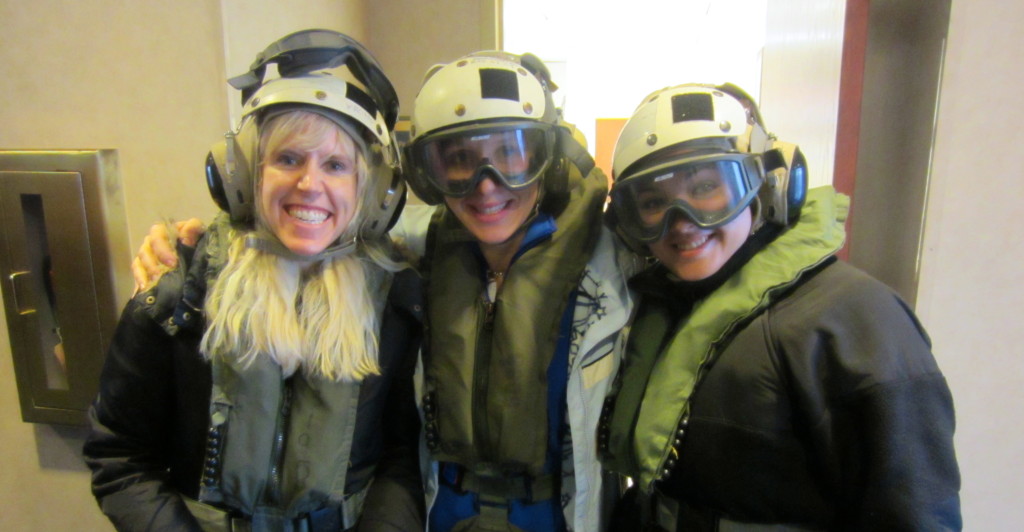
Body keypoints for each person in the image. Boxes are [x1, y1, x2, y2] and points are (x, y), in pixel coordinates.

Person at [136, 51, 638, 532]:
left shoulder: (614, 263)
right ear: (425, 175)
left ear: (545, 160)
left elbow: (696, 255)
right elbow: (324, 228)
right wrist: (190, 240)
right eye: (460, 161)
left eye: (510, 155)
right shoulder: (415, 262)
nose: (487, 186)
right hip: (441, 514)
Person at [83, 30, 424, 532]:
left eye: (335, 165)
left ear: (371, 193)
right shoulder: (180, 294)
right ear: (245, 173)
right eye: (288, 159)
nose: (310, 185)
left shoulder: (393, 302)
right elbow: (120, 458)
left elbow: (402, 456)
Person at [600, 83, 962, 531]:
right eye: (654, 203)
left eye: (708, 186)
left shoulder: (855, 318)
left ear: (767, 184)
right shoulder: (659, 310)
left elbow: (913, 513)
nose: (684, 222)